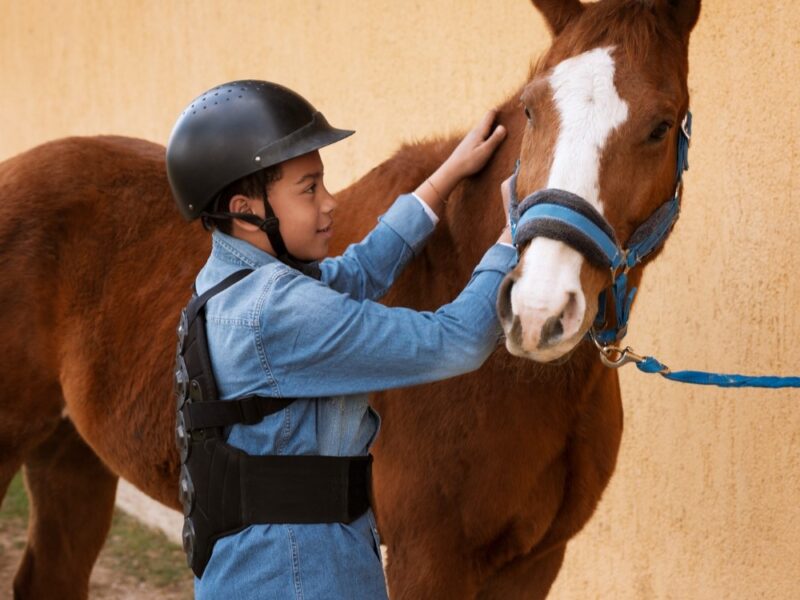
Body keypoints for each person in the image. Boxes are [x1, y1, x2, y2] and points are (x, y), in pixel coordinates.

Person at [166, 79, 516, 600]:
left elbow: (357, 271)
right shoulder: (276, 313)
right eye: (309, 189)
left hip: (266, 566)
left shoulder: (232, 284)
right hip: (303, 574)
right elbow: (457, 341)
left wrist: (443, 180)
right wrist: (512, 239)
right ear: (245, 208)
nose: (330, 203)